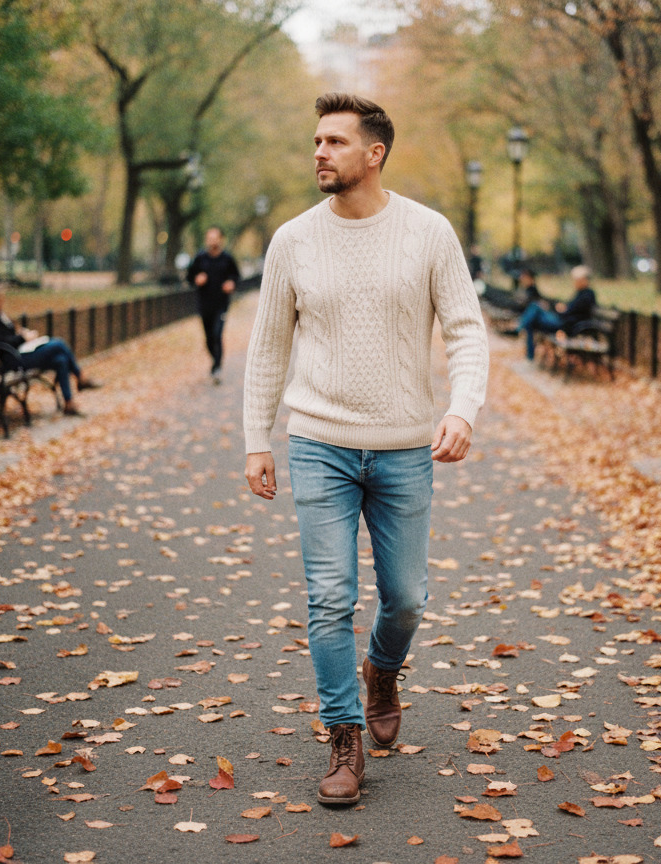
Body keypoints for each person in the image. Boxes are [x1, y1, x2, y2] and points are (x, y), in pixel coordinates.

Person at [242, 93, 488, 806]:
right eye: (316, 140)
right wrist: (258, 439)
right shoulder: (292, 240)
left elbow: (467, 331)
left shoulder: (428, 232)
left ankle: (383, 669)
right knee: (329, 600)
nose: (319, 152)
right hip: (319, 441)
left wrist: (462, 410)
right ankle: (343, 737)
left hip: (405, 447)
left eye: (335, 142)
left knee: (406, 599)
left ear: (373, 153)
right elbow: (267, 348)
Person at [0, 283, 100, 416]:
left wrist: (22, 333)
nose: (2, 303)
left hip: (19, 353)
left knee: (61, 360)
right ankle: (81, 377)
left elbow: (8, 335)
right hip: (10, 360)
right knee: (59, 344)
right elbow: (0, 342)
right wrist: (23, 338)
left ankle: (69, 404)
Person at [186, 226, 240, 384]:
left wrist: (231, 283)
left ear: (220, 239)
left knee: (217, 334)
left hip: (221, 304)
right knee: (209, 338)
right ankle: (215, 361)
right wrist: (197, 279)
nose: (212, 241)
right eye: (209, 238)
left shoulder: (227, 259)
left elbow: (236, 276)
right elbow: (189, 277)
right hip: (204, 305)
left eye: (215, 238)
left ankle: (217, 367)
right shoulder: (200, 258)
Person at [511, 265, 597, 361]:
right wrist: (562, 308)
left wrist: (561, 309)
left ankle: (518, 330)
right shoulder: (581, 293)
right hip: (562, 320)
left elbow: (571, 311)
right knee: (531, 321)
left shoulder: (587, 295)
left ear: (584, 280)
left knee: (535, 307)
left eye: (577, 280)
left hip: (565, 324)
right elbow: (571, 308)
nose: (575, 282)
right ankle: (529, 353)